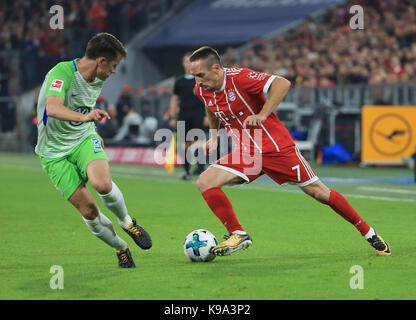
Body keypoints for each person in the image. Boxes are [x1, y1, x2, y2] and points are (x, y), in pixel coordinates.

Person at [189, 46, 391, 257]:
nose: (198, 81)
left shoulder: (240, 78)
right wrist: (213, 135)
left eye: (201, 75)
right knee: (205, 181)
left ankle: (369, 233)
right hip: (248, 152)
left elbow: (282, 83)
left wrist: (263, 114)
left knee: (319, 193)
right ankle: (238, 234)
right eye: (194, 76)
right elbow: (211, 106)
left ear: (216, 68)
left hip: (276, 148)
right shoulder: (202, 89)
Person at [35, 33, 152, 268]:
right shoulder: (62, 73)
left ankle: (128, 222)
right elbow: (54, 108)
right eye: (114, 65)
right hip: (53, 152)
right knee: (89, 211)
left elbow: (83, 104)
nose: (115, 71)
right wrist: (86, 116)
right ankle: (121, 247)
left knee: (103, 184)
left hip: (83, 138)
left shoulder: (98, 76)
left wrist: (90, 127)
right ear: (101, 61)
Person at [170, 52, 207, 180]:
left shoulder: (200, 79)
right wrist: (173, 116)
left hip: (198, 113)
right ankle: (187, 171)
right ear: (183, 63)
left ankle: (201, 168)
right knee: (184, 143)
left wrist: (208, 115)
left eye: (191, 61)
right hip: (183, 113)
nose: (188, 63)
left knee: (199, 142)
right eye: (186, 61)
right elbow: (174, 99)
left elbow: (207, 98)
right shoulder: (179, 81)